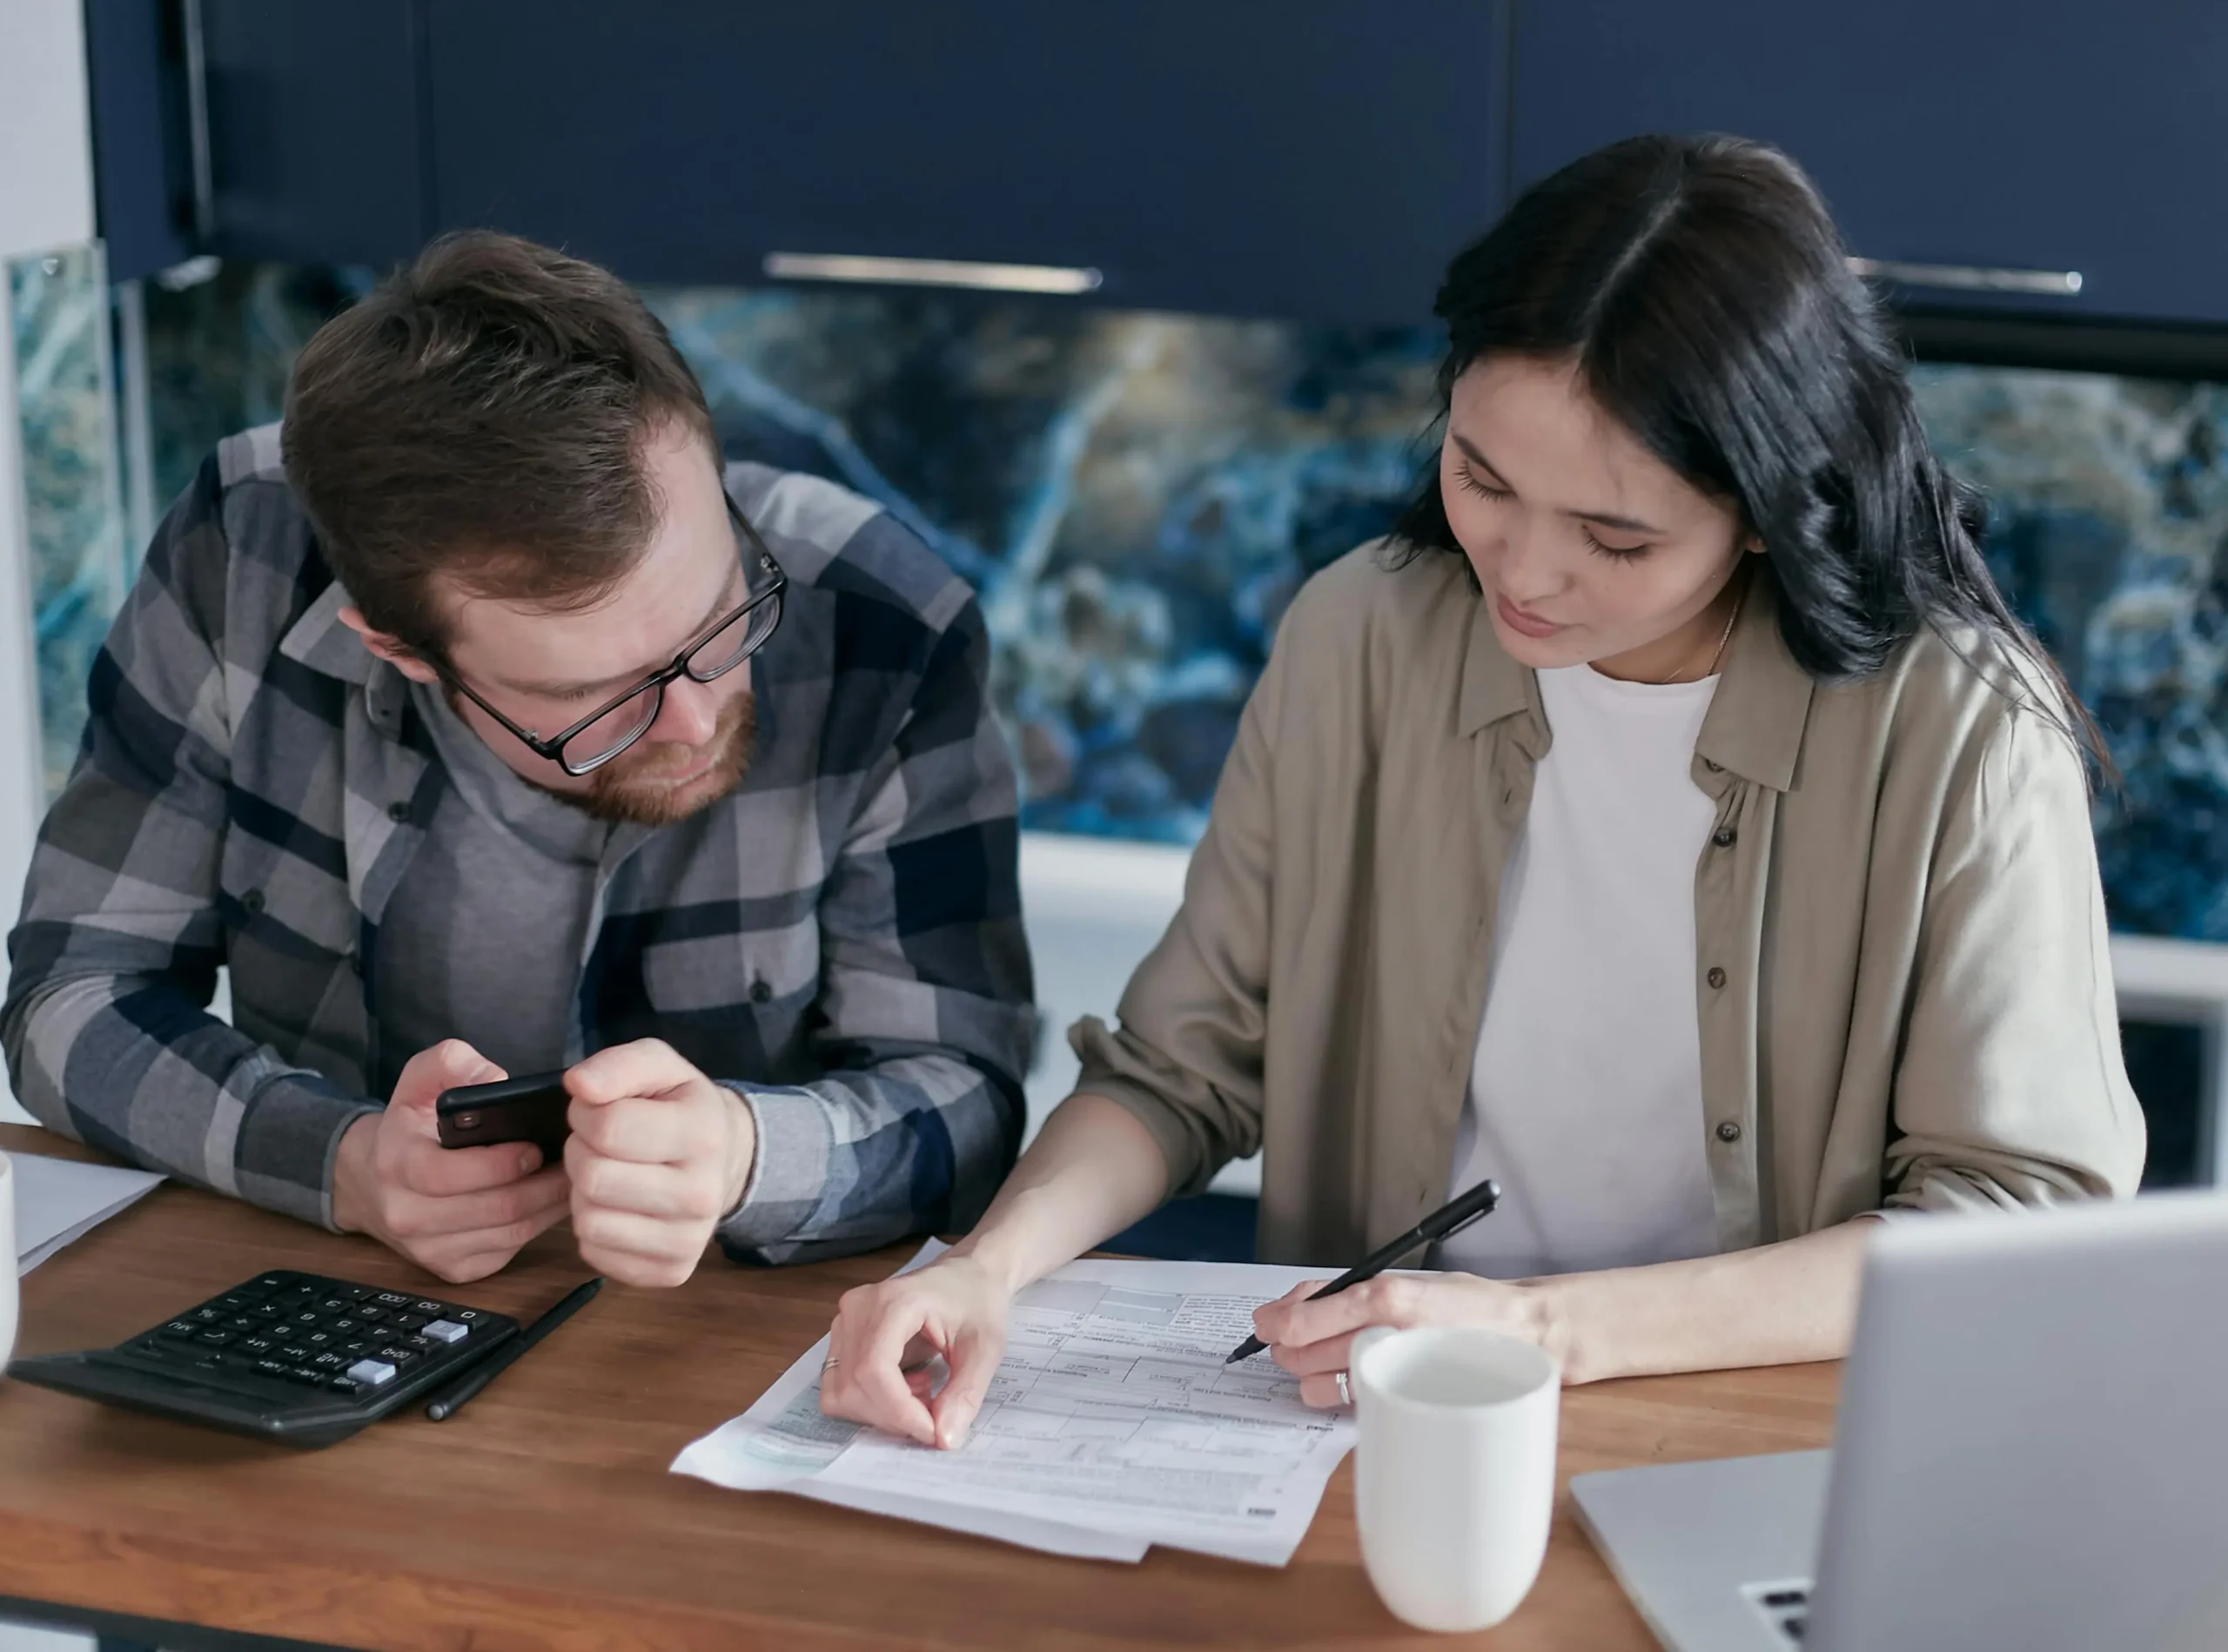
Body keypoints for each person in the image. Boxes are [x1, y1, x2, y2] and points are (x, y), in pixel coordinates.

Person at [821, 134, 2146, 1448]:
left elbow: (2017, 1213)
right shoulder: (1363, 635)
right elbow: (1184, 1067)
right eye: (1482, 477)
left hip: (1755, 1439)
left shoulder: (1960, 729)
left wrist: (1543, 1334)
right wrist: (986, 1268)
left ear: (1765, 507)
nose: (1523, 570)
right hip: (1375, 1420)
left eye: (1615, 537)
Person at [3, 232, 1034, 1287]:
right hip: (344, 1293)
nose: (691, 718)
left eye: (722, 617)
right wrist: (339, 1161)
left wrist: (743, 1154)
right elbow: (73, 993)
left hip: (718, 1335)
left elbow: (969, 1101)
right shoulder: (246, 553)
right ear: (396, 647)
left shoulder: (882, 614)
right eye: (592, 696)